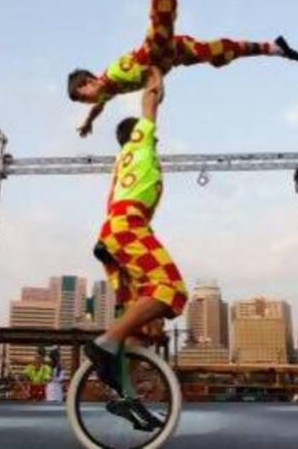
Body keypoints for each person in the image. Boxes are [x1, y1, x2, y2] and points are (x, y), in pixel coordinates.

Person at [68, 0, 298, 138]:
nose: (88, 103)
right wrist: (90, 120)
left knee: (162, 10)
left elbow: (152, 71)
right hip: (176, 58)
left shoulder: (116, 72)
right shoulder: (106, 91)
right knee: (220, 53)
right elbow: (101, 105)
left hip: (158, 51)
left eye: (83, 98)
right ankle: (275, 47)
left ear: (89, 82)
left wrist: (155, 95)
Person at [84, 65, 185, 401]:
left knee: (140, 326)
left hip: (115, 233)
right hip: (128, 225)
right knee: (170, 289)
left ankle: (125, 395)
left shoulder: (124, 159)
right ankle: (105, 345)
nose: (155, 137)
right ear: (139, 133)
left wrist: (87, 121)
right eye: (150, 133)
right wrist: (156, 72)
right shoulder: (140, 143)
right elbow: (151, 101)